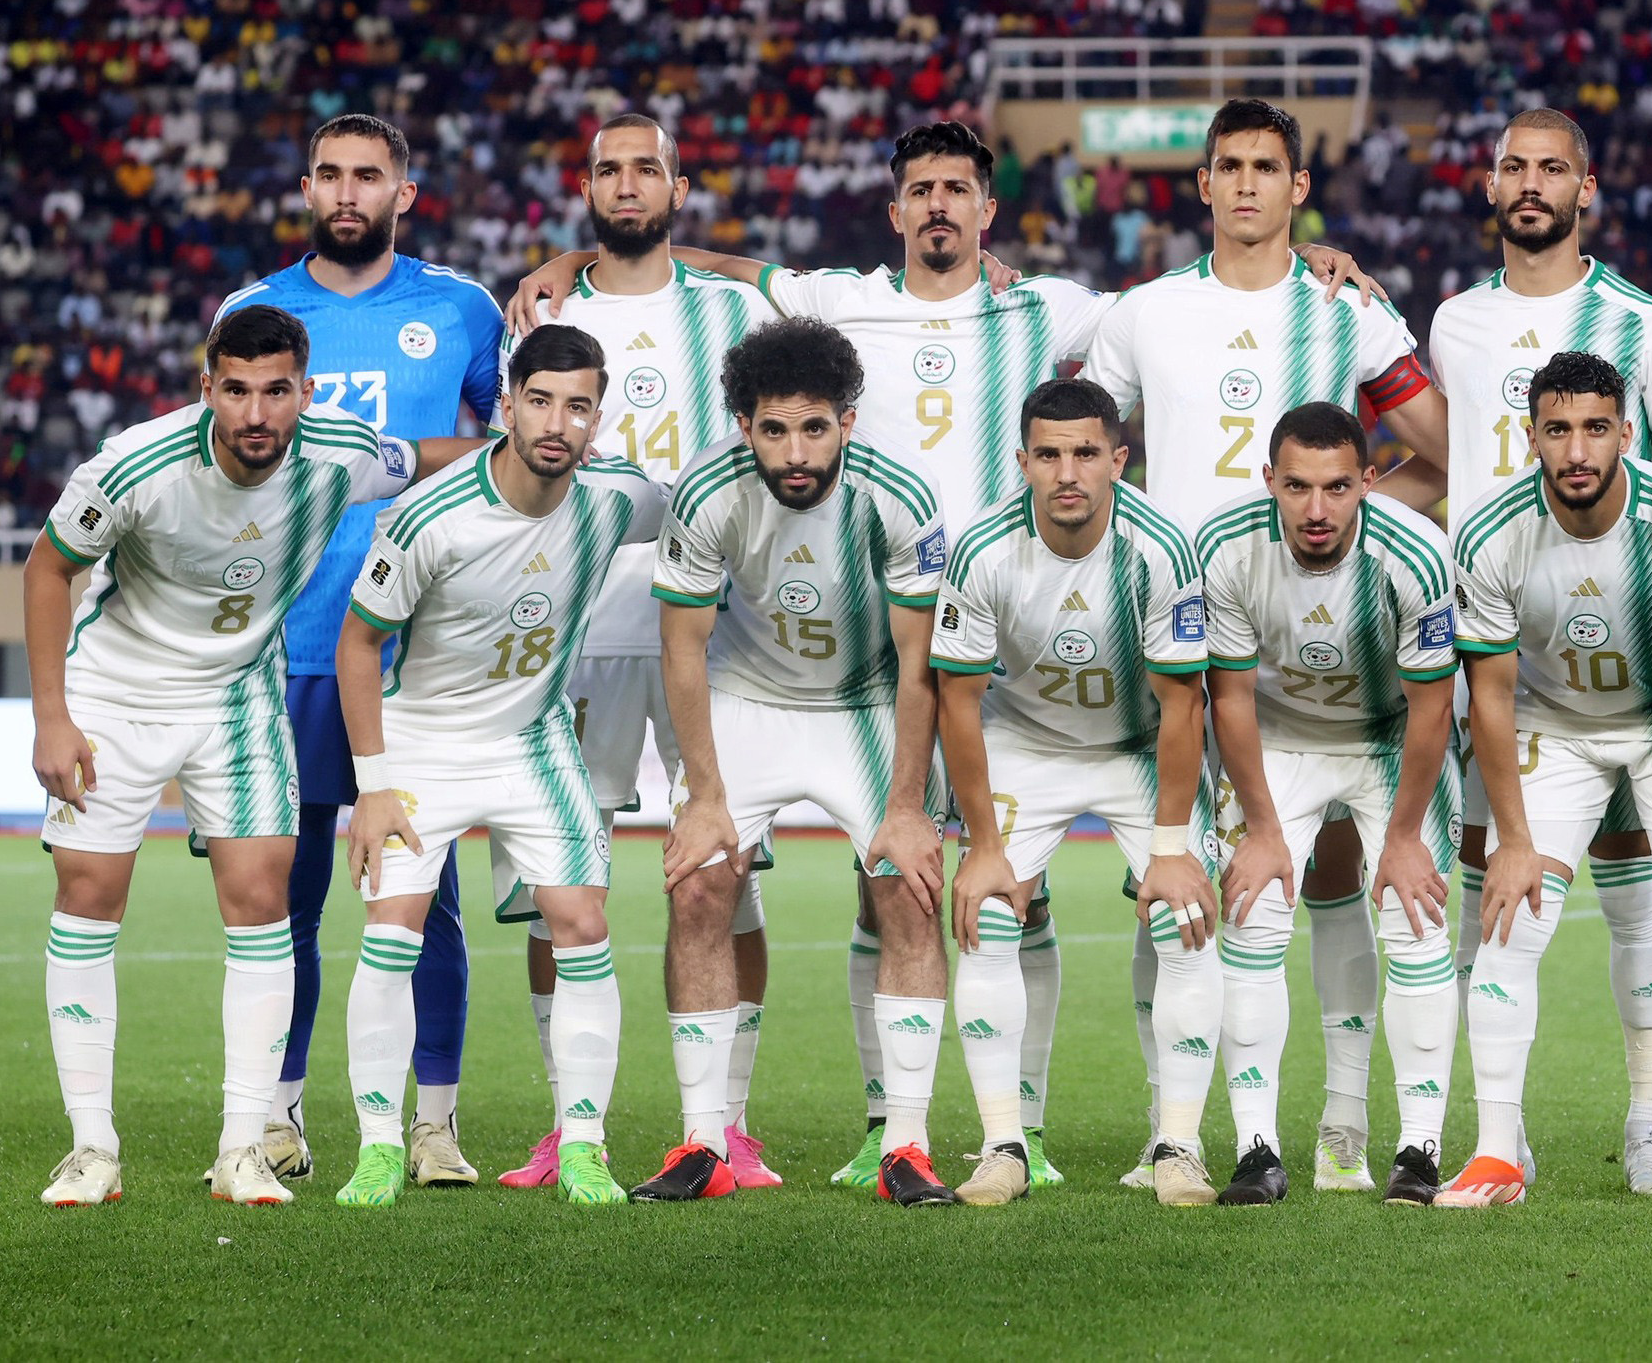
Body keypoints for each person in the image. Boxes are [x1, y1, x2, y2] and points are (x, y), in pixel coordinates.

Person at [512, 117, 1386, 1191]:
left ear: (986, 208)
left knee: (996, 889)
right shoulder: (839, 299)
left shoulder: (1048, 306)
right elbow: (715, 265)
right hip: (882, 649)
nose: (938, 205)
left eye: (956, 190)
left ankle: (1027, 1129)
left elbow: (1195, 305)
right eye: (920, 190)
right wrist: (575, 261)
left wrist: (1303, 251)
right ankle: (876, 1125)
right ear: (896, 210)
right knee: (906, 886)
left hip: (1025, 627)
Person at [25, 305, 470, 1207]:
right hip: (116, 696)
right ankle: (92, 1146)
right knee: (89, 895)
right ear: (207, 388)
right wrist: (52, 716)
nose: (256, 413)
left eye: (276, 391)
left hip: (237, 697)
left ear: (306, 392)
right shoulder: (136, 464)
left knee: (264, 899)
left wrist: (524, 451)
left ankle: (244, 1148)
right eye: (236, 390)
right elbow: (46, 567)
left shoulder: (340, 451)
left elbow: (425, 457)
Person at [1082, 97, 1448, 1192]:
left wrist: (1359, 518)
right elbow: (1080, 449)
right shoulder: (1145, 313)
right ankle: (1174, 1131)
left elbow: (1448, 452)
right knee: (1173, 887)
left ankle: (1342, 1125)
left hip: (1317, 650)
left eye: (1266, 166)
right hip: (1171, 641)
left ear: (1300, 187)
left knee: (1328, 877)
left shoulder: (1350, 313)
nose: (1246, 183)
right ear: (1203, 184)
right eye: (1228, 165)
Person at [1382, 108, 1652, 1194]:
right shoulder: (1456, 321)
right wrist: (1358, 513)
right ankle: (1504, 1133)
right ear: (1490, 186)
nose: (1530, 184)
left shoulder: (1644, 322)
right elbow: (1444, 465)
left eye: (1551, 169)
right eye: (1512, 167)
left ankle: (1648, 1125)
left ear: (1587, 189)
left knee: (1636, 899)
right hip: (1494, 652)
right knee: (1493, 895)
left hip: (1622, 658)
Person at [488, 113, 782, 1192]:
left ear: (677, 186)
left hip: (717, 630)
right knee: (554, 881)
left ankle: (728, 1124)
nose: (625, 185)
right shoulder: (542, 315)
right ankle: (570, 1126)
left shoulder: (738, 310)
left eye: (644, 169)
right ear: (585, 187)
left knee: (725, 876)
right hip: (574, 633)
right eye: (606, 169)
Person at [210, 113, 503, 1188]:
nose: (347, 192)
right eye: (329, 174)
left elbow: (512, 450)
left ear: (403, 193)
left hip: (415, 655)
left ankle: (434, 1124)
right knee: (282, 898)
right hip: (281, 647)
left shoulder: (462, 309)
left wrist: (410, 464)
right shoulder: (252, 311)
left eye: (368, 175)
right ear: (304, 188)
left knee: (425, 905)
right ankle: (279, 1115)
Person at [333, 325, 664, 1209]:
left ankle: (584, 1145)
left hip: (532, 739)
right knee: (392, 931)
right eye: (541, 401)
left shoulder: (616, 499)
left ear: (598, 418)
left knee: (581, 922)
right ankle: (378, 1146)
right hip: (423, 741)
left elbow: (702, 508)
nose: (558, 423)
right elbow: (359, 643)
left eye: (579, 406)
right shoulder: (430, 516)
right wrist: (371, 787)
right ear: (507, 405)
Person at [632, 317, 953, 1206]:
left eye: (815, 427)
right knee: (699, 885)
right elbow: (682, 648)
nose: (797, 451)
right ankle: (704, 1144)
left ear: (847, 420)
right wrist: (704, 795)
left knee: (908, 886)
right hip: (748, 700)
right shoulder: (708, 491)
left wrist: (907, 806)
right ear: (745, 425)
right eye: (774, 429)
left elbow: (920, 665)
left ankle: (907, 1145)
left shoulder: (900, 496)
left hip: (866, 703)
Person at [1438, 351, 1652, 1213]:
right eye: (1557, 430)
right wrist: (1513, 839)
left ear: (1627, 432)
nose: (1576, 450)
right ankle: (1497, 1154)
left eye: (1594, 428)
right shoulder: (1488, 531)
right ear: (1531, 437)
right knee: (1511, 922)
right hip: (1555, 725)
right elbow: (1490, 695)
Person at [932, 378, 1222, 1208]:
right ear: (1022, 461)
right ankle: (1004, 1146)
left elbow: (1183, 704)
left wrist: (1170, 850)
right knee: (989, 914)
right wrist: (984, 847)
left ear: (1118, 460)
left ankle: (1178, 1145)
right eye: (1049, 454)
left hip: (1137, 748)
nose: (1068, 472)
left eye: (1087, 452)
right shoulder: (983, 549)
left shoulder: (1162, 547)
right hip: (1026, 746)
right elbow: (958, 700)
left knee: (1184, 915)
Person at [1199, 401, 1460, 1207]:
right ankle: (1257, 1149)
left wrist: (1405, 836)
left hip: (1389, 740)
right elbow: (1229, 697)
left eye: (1338, 487)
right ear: (1269, 480)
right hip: (1280, 741)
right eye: (1298, 487)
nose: (1317, 509)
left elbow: (1432, 706)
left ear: (1369, 482)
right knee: (1252, 915)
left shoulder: (1417, 552)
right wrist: (1263, 829)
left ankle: (1418, 1149)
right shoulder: (1225, 546)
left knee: (1416, 918)